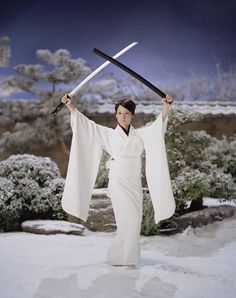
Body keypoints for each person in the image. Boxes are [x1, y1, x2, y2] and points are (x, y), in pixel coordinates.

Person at [61, 93, 175, 268]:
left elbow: (157, 129)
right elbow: (87, 127)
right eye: (120, 113)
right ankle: (121, 257)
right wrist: (71, 106)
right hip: (118, 183)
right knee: (126, 219)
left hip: (134, 183)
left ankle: (125, 258)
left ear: (132, 115)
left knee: (134, 221)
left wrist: (166, 106)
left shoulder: (140, 135)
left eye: (127, 113)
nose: (123, 117)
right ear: (116, 115)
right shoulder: (107, 134)